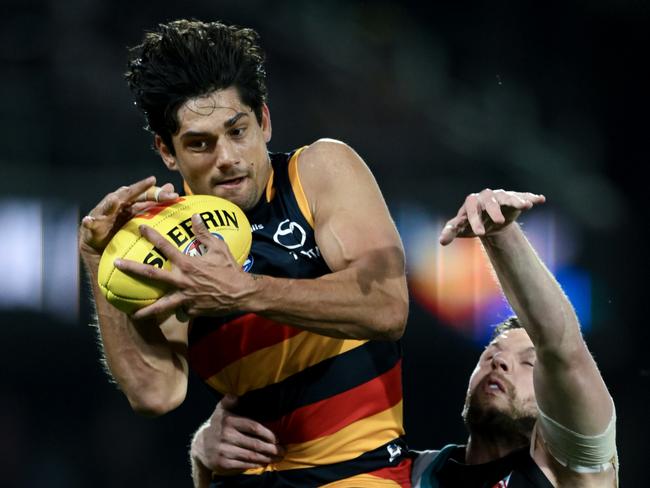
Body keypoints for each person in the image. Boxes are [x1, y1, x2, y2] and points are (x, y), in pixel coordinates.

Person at [78, 19, 411, 487]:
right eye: (200, 143)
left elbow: (387, 308)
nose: (228, 157)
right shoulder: (169, 243)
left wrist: (244, 291)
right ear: (167, 152)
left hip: (358, 475)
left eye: (237, 131)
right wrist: (98, 260)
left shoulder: (316, 174)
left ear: (265, 121)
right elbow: (156, 393)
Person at [194, 189, 618, 487]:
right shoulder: (403, 474)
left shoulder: (576, 471)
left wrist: (501, 235)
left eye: (527, 364)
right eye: (491, 354)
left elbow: (561, 348)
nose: (499, 362)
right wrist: (207, 460)